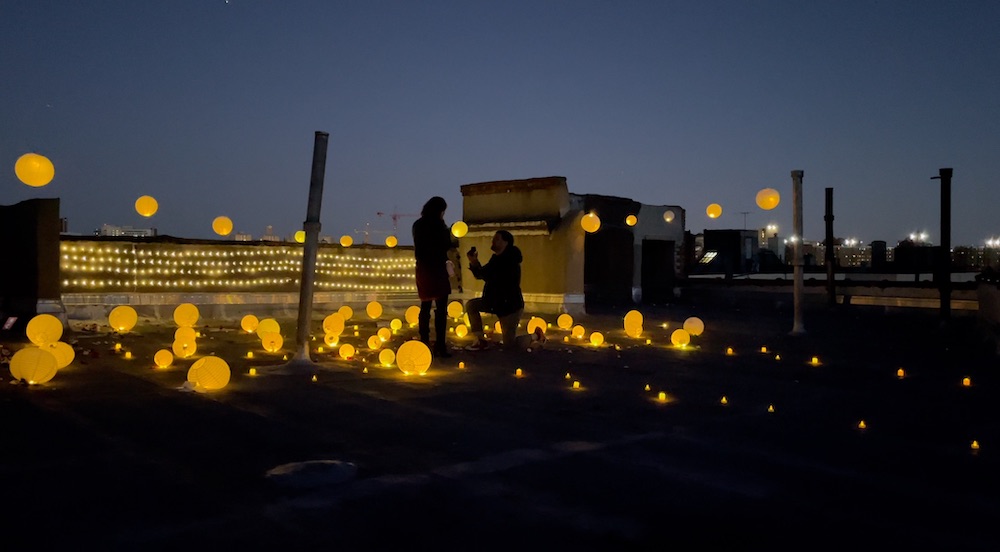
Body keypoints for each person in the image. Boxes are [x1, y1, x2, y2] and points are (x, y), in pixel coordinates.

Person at [465, 230, 539, 350]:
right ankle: (480, 340)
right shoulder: (496, 259)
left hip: (510, 307)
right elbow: (483, 274)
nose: (493, 241)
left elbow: (489, 275)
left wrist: (476, 264)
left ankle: (536, 336)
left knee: (510, 345)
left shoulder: (510, 261)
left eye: (497, 239)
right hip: (495, 302)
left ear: (506, 242)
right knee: (472, 306)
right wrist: (474, 262)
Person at [412, 196, 457, 358]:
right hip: (437, 269)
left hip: (423, 269)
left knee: (425, 306)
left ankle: (423, 340)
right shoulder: (439, 226)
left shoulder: (418, 225)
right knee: (441, 309)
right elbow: (446, 245)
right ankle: (440, 345)